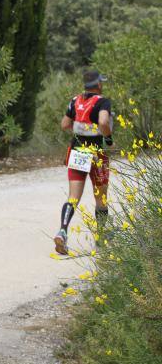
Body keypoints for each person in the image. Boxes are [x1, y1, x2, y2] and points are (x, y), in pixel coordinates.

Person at [53, 69, 114, 255]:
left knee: (73, 197)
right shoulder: (103, 101)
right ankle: (102, 238)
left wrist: (81, 129)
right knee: (101, 198)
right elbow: (104, 122)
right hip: (97, 153)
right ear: (98, 84)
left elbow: (64, 124)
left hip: (77, 151)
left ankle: (62, 231)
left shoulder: (75, 100)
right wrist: (108, 137)